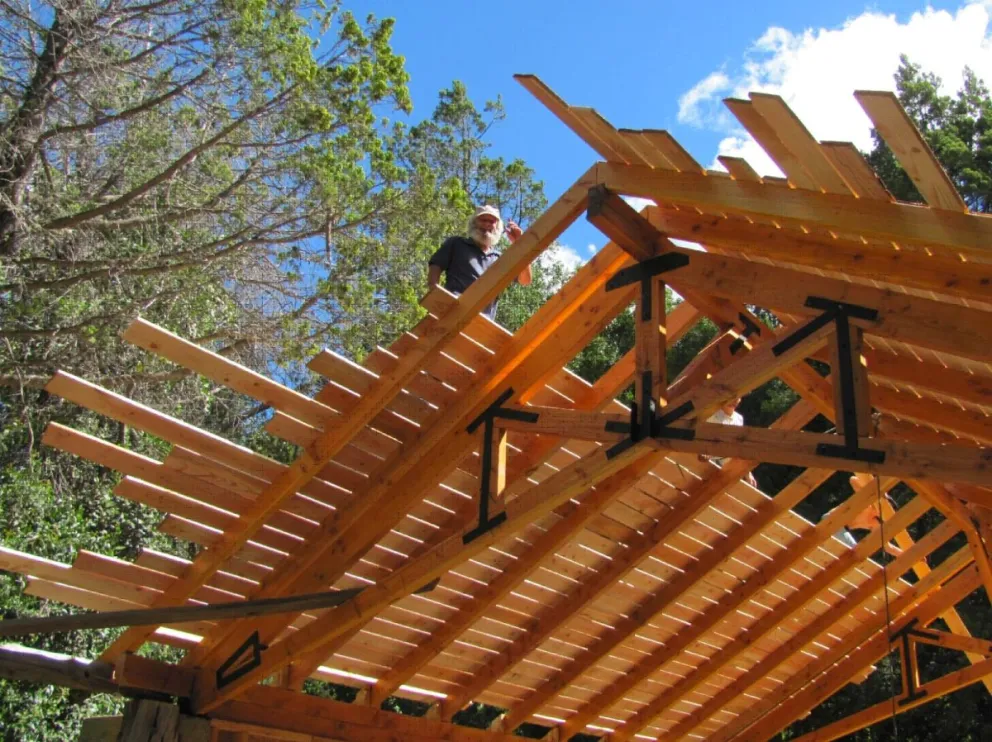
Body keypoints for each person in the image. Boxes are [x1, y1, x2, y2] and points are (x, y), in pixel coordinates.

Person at [427, 205, 531, 321]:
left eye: (491, 221)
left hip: (482, 321)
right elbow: (436, 264)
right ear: (474, 223)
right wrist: (435, 293)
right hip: (452, 311)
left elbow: (525, 280)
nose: (487, 224)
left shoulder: (500, 259)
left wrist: (521, 244)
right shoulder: (457, 244)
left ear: (497, 226)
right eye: (483, 220)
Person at [831, 473, 902, 555]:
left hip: (840, 530)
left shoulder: (875, 522)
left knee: (853, 554)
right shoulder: (867, 502)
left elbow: (888, 547)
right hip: (832, 519)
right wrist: (878, 492)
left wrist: (912, 556)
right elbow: (853, 479)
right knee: (853, 554)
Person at [701, 397, 758, 488]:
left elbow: (737, 447)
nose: (734, 401)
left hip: (725, 465)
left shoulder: (739, 418)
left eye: (737, 398)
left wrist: (747, 472)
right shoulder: (712, 414)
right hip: (704, 462)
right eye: (731, 398)